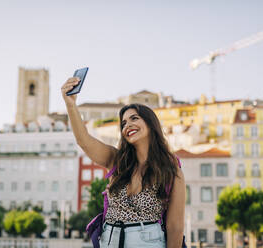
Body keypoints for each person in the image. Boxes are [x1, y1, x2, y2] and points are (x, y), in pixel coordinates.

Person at [61, 77, 185, 248]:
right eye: (124, 123)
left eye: (134, 118)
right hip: (110, 240)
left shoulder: (170, 168)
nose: (128, 125)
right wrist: (70, 104)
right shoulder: (116, 160)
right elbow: (84, 141)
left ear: (150, 124)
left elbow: (175, 226)